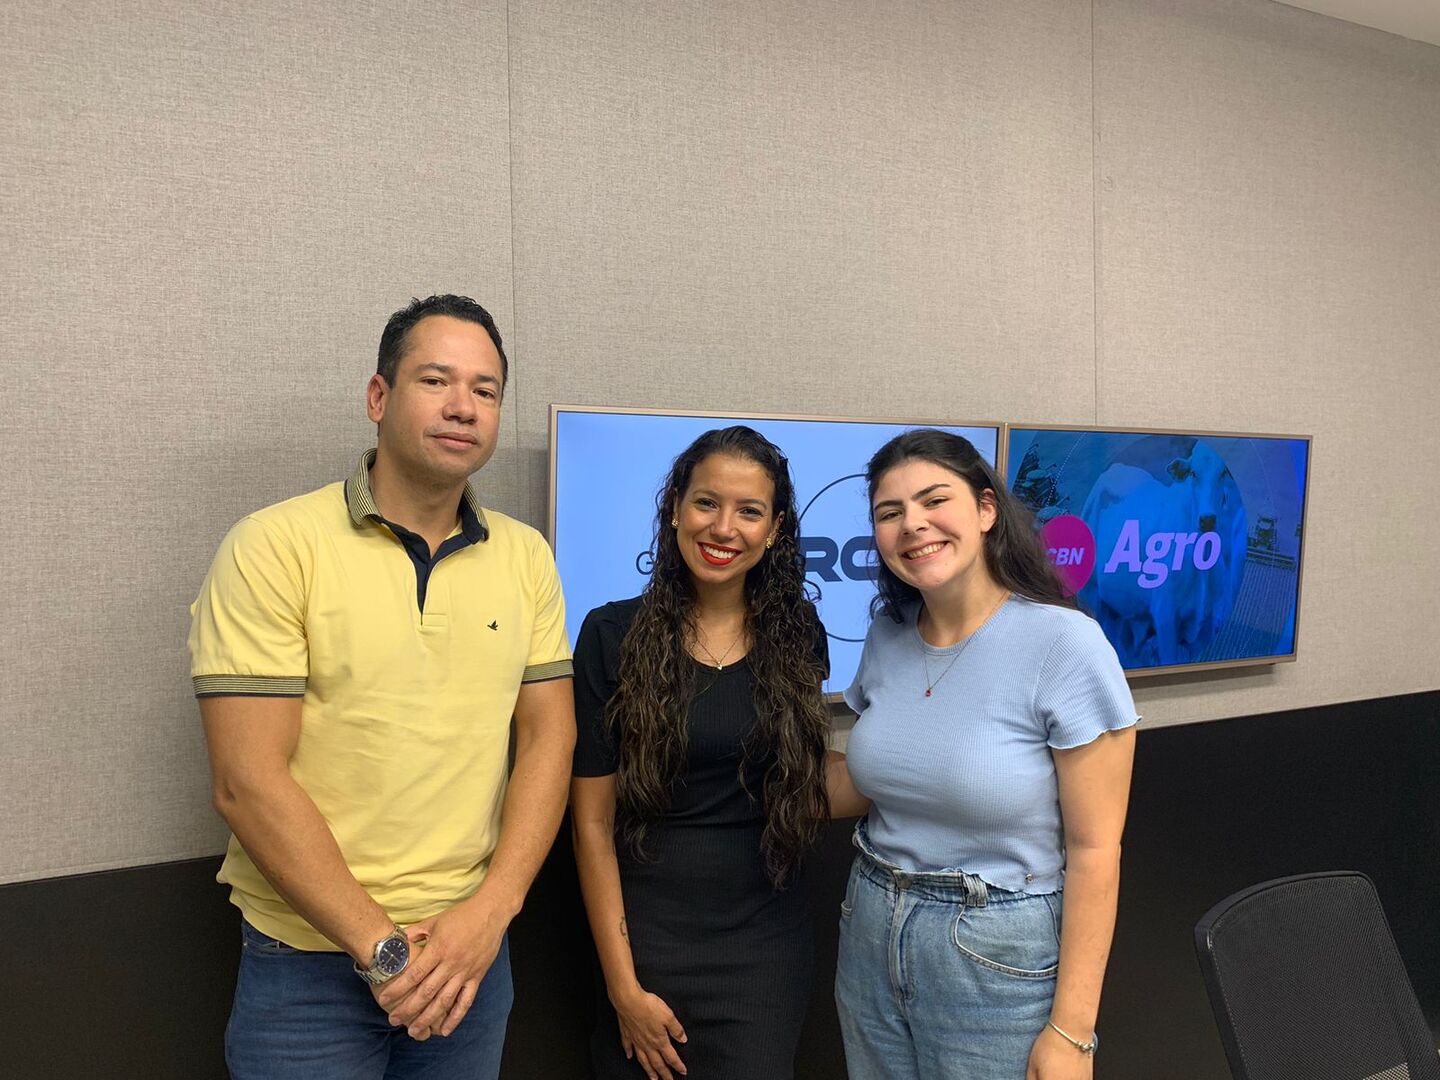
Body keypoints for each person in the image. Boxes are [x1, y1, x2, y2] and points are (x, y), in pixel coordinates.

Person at [189, 294, 576, 1080]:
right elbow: (245, 781)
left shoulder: (526, 557)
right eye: (436, 380)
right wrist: (382, 950)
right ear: (379, 397)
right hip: (310, 965)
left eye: (485, 390)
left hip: (469, 954)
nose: (462, 407)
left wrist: (492, 912)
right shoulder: (274, 546)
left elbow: (549, 736)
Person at [827, 428, 1138, 1080]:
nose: (913, 525)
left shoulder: (1065, 645)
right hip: (870, 926)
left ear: (987, 511)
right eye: (890, 513)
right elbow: (883, 783)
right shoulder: (887, 636)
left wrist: (1073, 1032)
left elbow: (1095, 852)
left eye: (934, 500)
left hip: (994, 953)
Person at [570, 426, 831, 1080]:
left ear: (774, 529)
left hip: (765, 945)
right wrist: (623, 988)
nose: (724, 527)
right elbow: (593, 824)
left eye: (750, 511)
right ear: (676, 508)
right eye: (707, 503)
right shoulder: (610, 634)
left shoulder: (799, 632)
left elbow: (808, 783)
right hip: (646, 938)